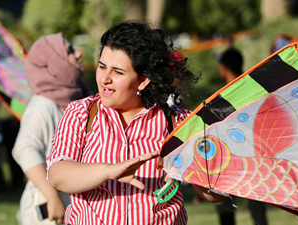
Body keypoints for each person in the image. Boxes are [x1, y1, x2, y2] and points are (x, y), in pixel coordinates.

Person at [47, 20, 227, 225]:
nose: (105, 78)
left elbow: (216, 195)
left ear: (143, 80)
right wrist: (108, 171)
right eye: (102, 66)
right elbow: (57, 175)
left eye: (118, 72)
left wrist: (193, 170)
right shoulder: (81, 113)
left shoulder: (179, 122)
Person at [12, 32, 92, 225]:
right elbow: (24, 149)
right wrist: (52, 196)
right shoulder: (43, 105)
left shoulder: (80, 97)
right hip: (49, 208)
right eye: (70, 51)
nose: (79, 53)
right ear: (53, 63)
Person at [217, 47, 268, 225]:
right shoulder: (252, 87)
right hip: (252, 154)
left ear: (224, 67)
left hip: (230, 157)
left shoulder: (226, 93)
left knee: (225, 207)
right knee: (256, 206)